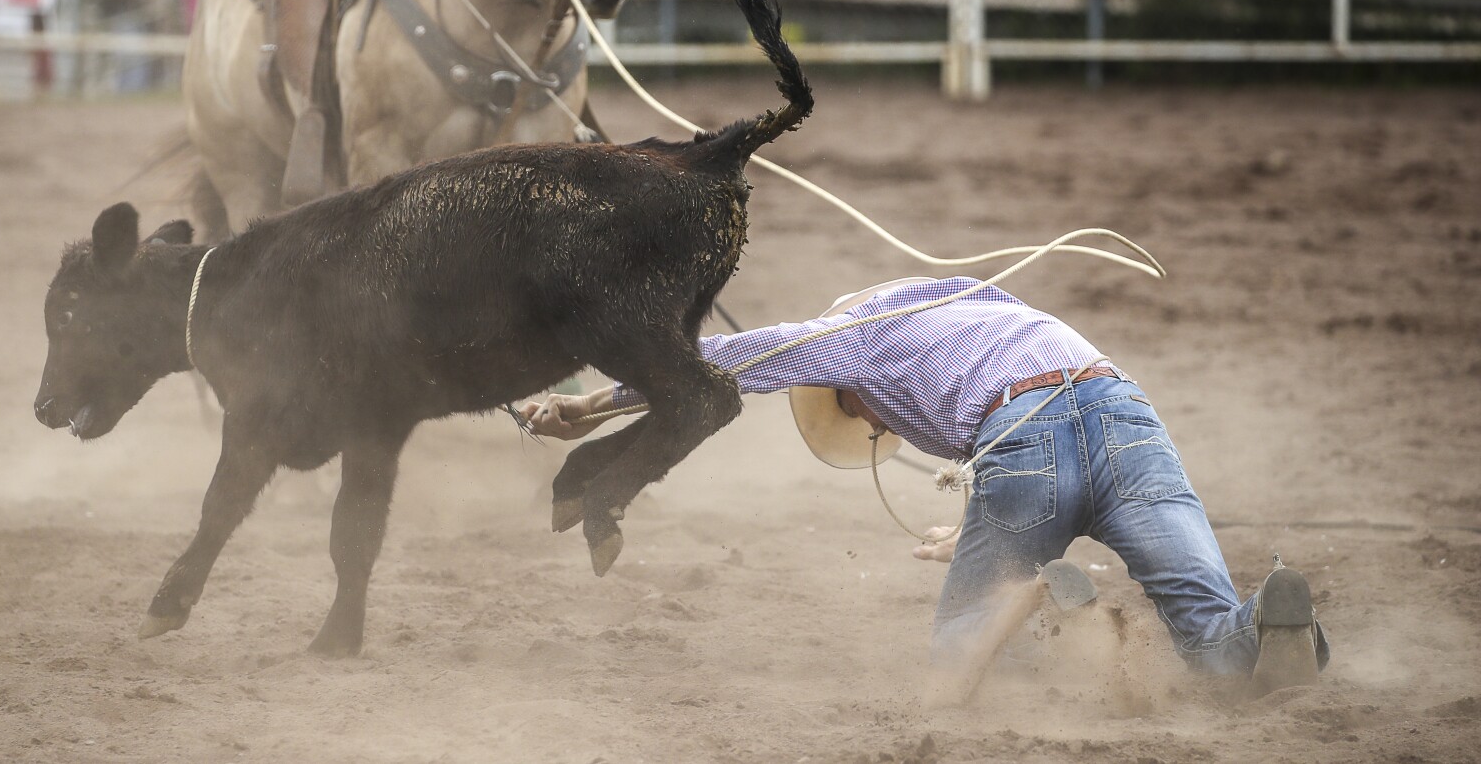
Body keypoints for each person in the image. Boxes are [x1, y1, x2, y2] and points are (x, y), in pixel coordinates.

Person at [521, 275, 1329, 694]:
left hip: (1024, 439)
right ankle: (1270, 625)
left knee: (957, 647)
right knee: (1215, 645)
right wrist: (981, 527)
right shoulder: (986, 308)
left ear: (843, 389)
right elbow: (1057, 425)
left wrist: (594, 403)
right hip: (1125, 412)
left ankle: (1047, 610)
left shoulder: (858, 339)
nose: (876, 425)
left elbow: (739, 355)